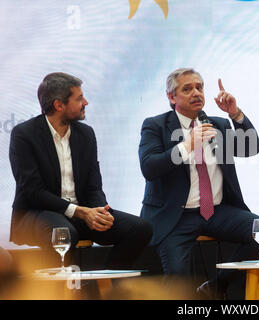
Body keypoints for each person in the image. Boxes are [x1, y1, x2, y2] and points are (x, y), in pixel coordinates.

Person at [138, 68, 259, 297]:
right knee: (178, 277)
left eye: (199, 87)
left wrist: (235, 114)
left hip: (217, 211)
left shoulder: (217, 125)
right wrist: (187, 145)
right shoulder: (156, 126)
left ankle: (214, 288)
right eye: (187, 89)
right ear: (171, 97)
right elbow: (149, 167)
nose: (196, 92)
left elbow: (251, 148)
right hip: (176, 216)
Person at [9, 72, 152, 270]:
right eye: (79, 98)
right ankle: (63, 293)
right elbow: (32, 191)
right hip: (37, 212)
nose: (86, 102)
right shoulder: (24, 134)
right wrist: (80, 212)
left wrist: (100, 211)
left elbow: (94, 184)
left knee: (140, 229)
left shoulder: (85, 133)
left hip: (81, 213)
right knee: (64, 233)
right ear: (59, 105)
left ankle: (108, 285)